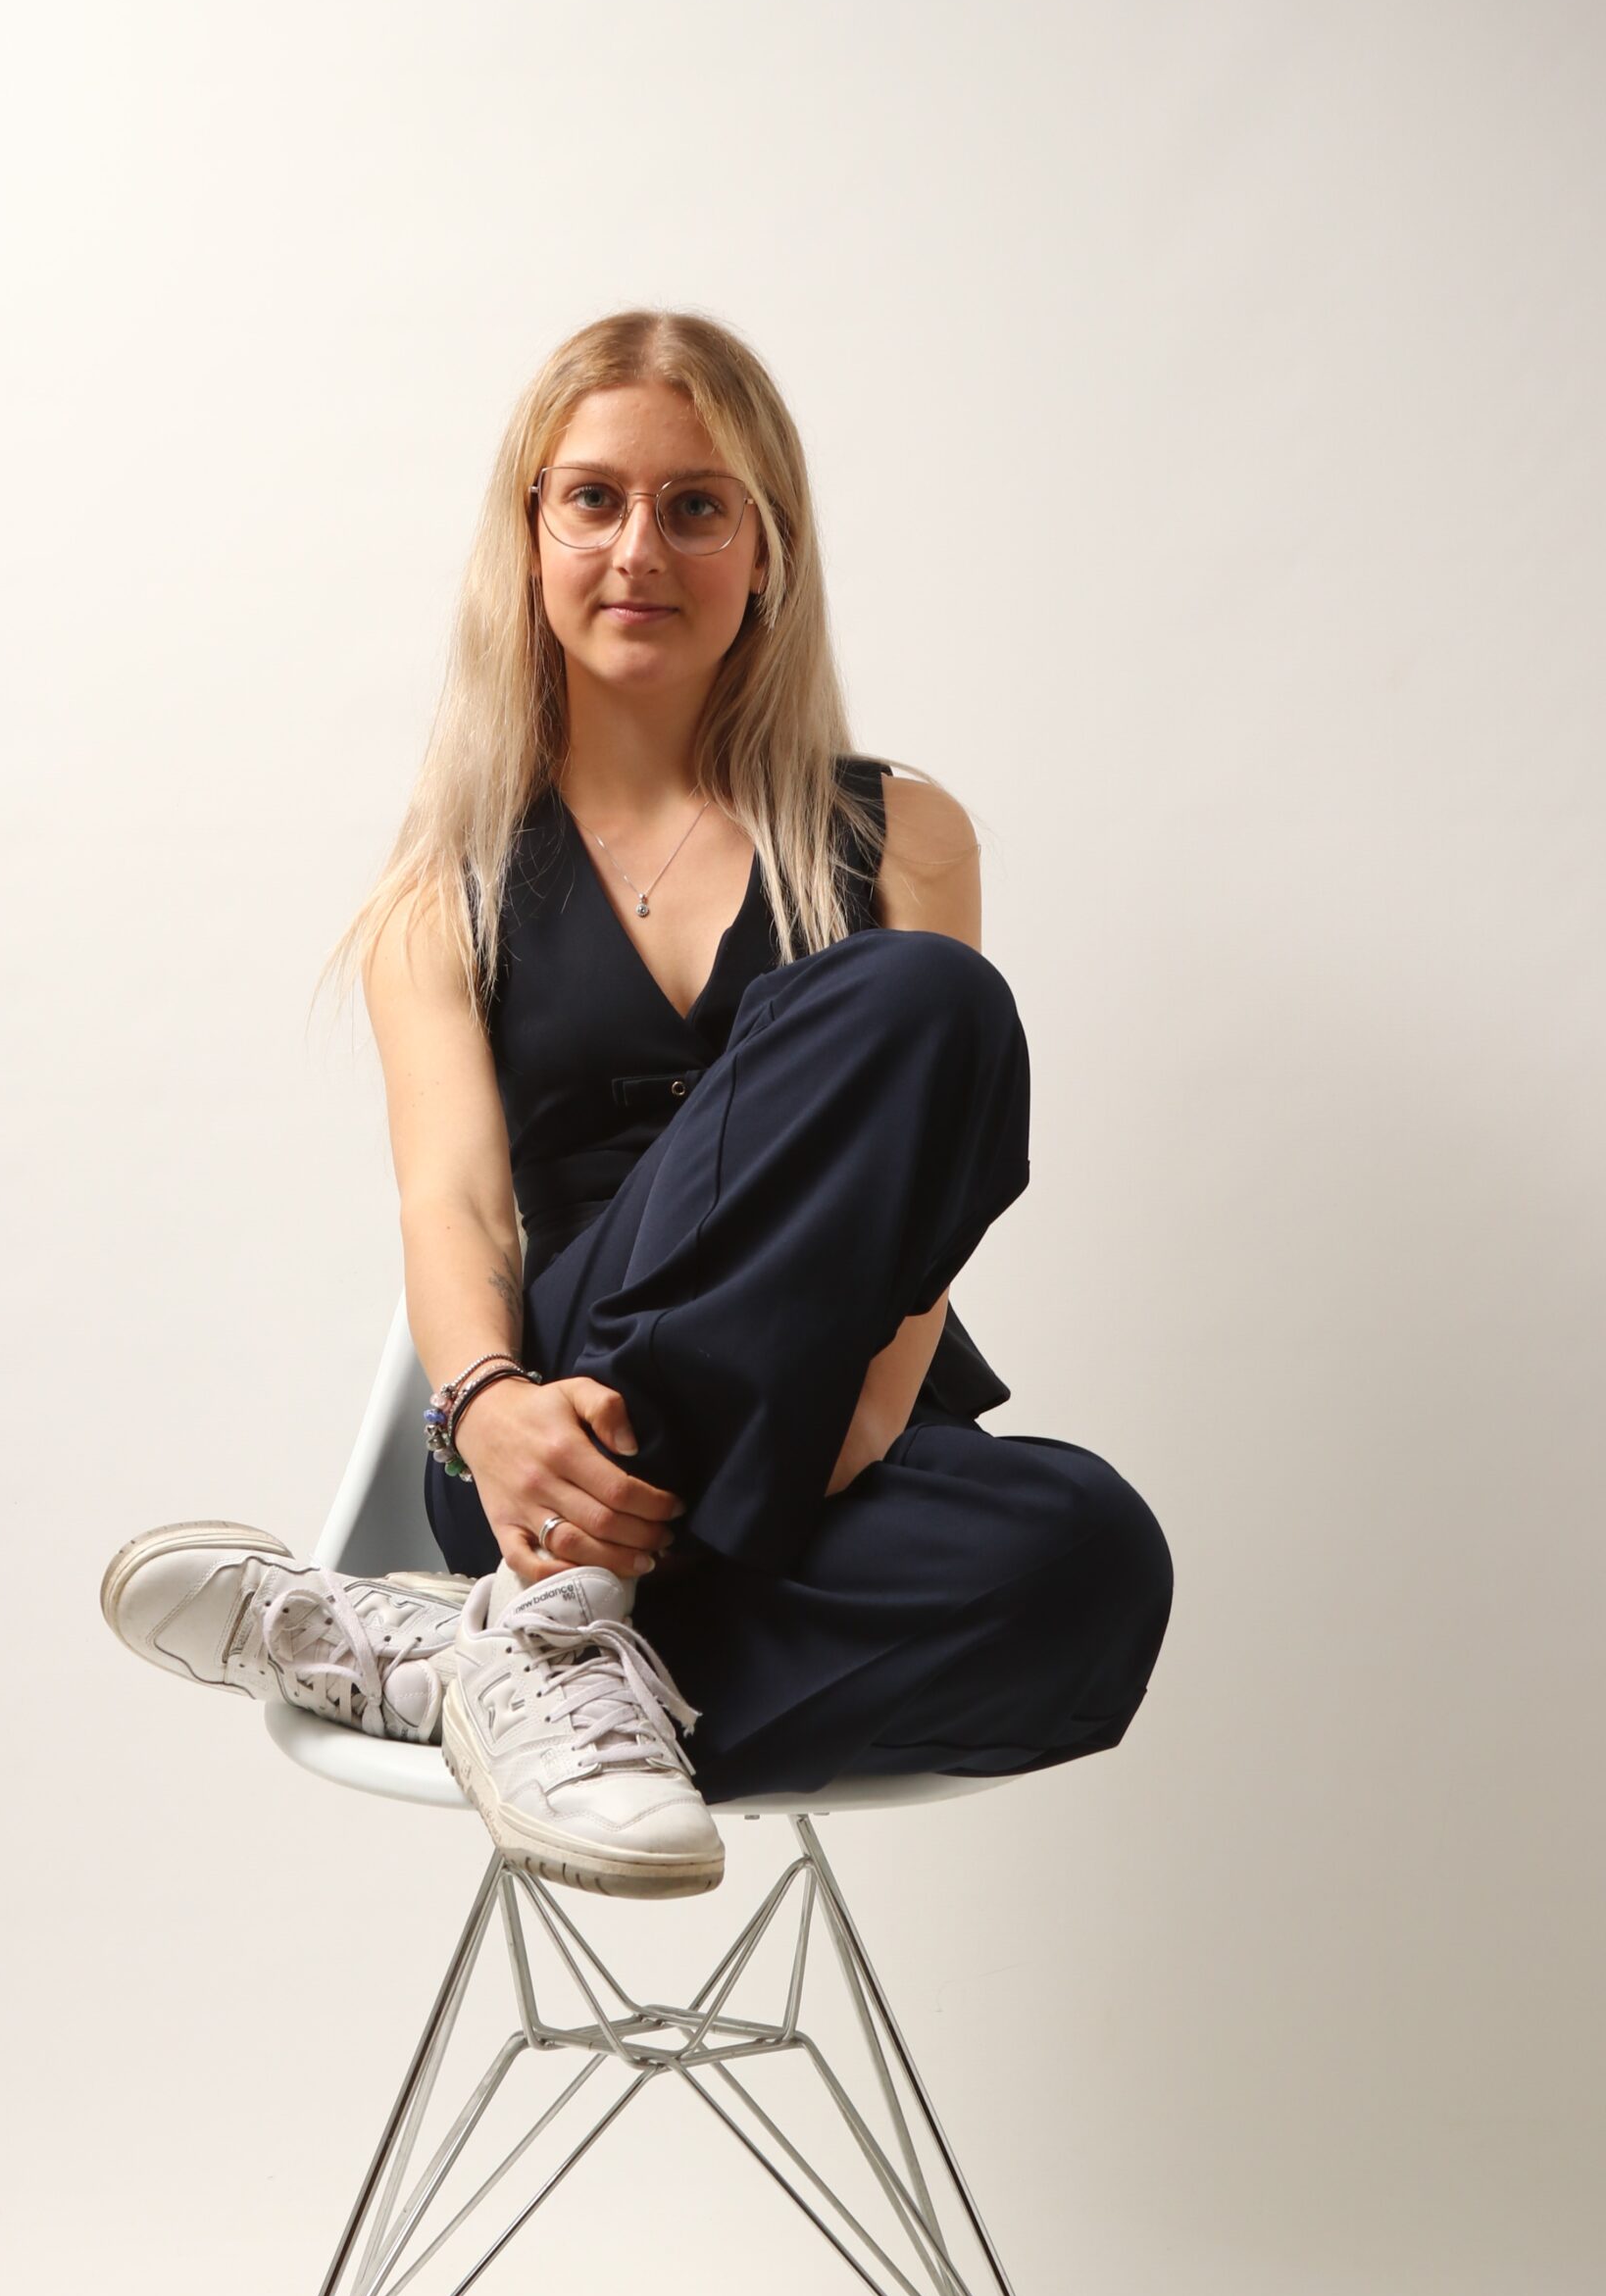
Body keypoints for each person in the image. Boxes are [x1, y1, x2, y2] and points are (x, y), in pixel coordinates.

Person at [101, 309, 1174, 1906]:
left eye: (696, 506)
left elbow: (927, 1185)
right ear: (529, 537)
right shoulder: (446, 890)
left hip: (831, 1427)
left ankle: (481, 1666)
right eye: (593, 499)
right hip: (550, 1443)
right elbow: (457, 1208)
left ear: (767, 550)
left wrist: (846, 1427)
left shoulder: (903, 837)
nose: (639, 548)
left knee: (1090, 1558)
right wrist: (489, 1411)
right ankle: (554, 1614)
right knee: (920, 998)